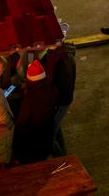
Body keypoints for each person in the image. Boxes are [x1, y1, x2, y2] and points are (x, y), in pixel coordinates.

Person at [40, 25, 76, 157]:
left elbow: (60, 84)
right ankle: (63, 154)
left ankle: (61, 158)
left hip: (60, 102)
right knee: (56, 127)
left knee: (49, 135)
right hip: (62, 101)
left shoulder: (58, 59)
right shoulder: (64, 54)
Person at [13, 60, 58, 164]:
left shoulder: (30, 99)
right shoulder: (52, 89)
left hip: (33, 141)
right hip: (46, 136)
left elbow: (21, 123)